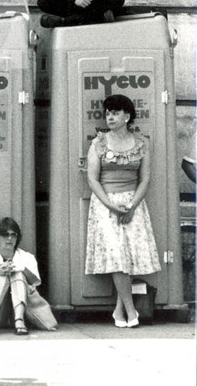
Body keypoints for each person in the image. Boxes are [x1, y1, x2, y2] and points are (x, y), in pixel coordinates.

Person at [85, 94, 161, 328]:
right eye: (107, 113)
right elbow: (92, 179)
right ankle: (131, 310)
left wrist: (132, 206)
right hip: (106, 205)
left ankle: (119, 312)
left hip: (132, 203)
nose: (110, 117)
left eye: (115, 112)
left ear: (127, 116)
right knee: (117, 256)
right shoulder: (98, 143)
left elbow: (145, 179)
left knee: (127, 257)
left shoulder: (141, 143)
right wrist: (111, 205)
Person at [0, 217, 40, 335]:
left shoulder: (27, 257)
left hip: (24, 312)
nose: (9, 238)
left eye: (13, 235)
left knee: (17, 272)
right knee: (2, 272)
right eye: (5, 235)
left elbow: (34, 282)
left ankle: (19, 320)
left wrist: (22, 268)